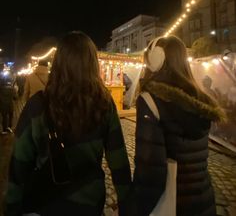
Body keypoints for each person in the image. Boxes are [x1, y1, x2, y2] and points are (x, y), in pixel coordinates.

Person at [4, 31, 131, 216]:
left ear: (58, 64)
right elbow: (119, 161)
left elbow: (18, 168)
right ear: (92, 64)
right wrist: (126, 204)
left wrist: (12, 209)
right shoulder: (104, 103)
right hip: (90, 204)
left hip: (46, 202)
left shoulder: (38, 105)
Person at [130, 35, 225, 216]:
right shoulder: (200, 100)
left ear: (156, 59)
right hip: (202, 200)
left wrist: (135, 207)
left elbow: (150, 171)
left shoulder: (151, 100)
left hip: (172, 204)